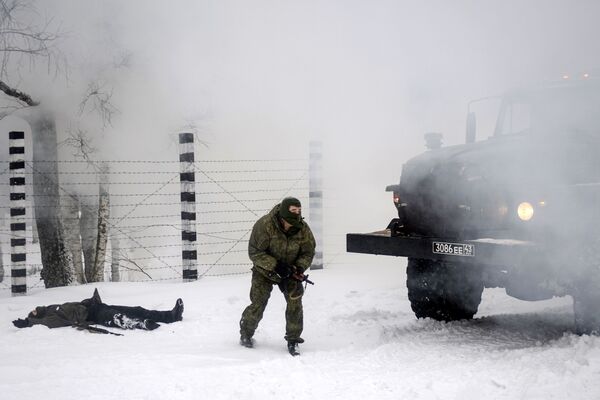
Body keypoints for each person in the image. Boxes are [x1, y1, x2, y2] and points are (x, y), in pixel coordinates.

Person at [239, 196, 316, 356]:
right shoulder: (265, 225)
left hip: (290, 272)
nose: (296, 214)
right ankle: (246, 334)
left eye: (299, 211)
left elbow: (308, 251)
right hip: (264, 271)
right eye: (293, 211)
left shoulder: (303, 229)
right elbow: (254, 252)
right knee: (258, 303)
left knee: (295, 304)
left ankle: (293, 340)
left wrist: (299, 267)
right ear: (283, 212)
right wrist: (276, 266)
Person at [12, 288, 184, 334]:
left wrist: (91, 301)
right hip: (92, 315)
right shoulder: (50, 317)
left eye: (34, 310)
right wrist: (28, 322)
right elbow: (44, 323)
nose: (34, 310)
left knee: (136, 309)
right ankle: (143, 325)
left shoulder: (50, 307)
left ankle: (170, 316)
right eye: (33, 311)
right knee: (117, 317)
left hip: (95, 306)